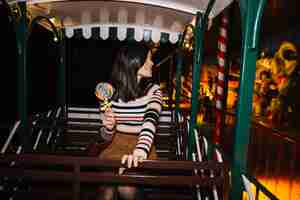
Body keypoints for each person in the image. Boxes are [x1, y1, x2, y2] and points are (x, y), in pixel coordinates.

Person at [97, 43, 162, 200]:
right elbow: (105, 137)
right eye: (148, 59)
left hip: (142, 146)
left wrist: (140, 151)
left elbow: (150, 121)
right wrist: (108, 127)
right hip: (114, 148)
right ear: (134, 62)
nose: (152, 63)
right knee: (106, 192)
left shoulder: (154, 91)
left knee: (127, 188)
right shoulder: (108, 93)